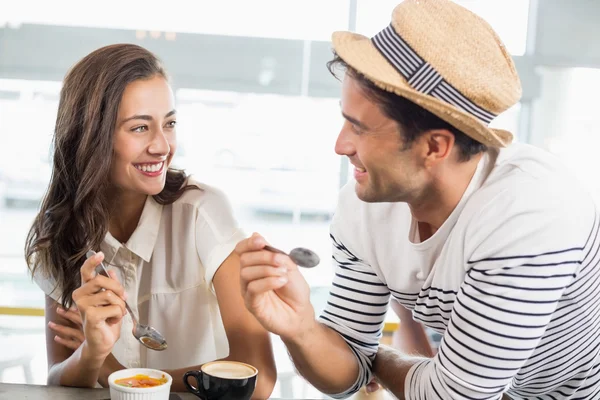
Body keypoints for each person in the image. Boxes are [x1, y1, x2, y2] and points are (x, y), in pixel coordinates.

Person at [235, 1, 600, 399]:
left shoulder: (529, 213)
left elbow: (453, 396)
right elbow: (345, 371)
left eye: (358, 128)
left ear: (434, 147)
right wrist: (301, 327)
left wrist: (379, 359)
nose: (340, 146)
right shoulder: (364, 207)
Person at [25, 43, 276, 397]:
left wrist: (115, 371)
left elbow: (258, 379)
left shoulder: (202, 211)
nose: (163, 146)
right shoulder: (60, 232)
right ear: (90, 136)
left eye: (169, 123)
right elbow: (59, 382)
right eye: (140, 128)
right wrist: (93, 350)